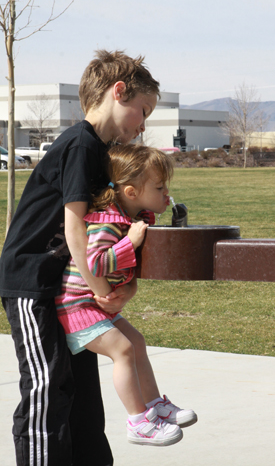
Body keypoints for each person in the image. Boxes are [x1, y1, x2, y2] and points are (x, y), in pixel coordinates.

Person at [0, 49, 160, 465]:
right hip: (32, 283)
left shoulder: (101, 152)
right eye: (143, 111)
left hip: (68, 285)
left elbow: (105, 230)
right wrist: (101, 288)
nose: (143, 126)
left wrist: (118, 287)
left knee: (84, 395)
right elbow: (74, 227)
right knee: (48, 388)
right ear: (118, 92)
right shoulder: (80, 145)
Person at [56, 143, 197, 446]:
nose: (166, 193)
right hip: (77, 306)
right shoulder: (107, 223)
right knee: (122, 350)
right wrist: (129, 243)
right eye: (159, 187)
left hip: (95, 306)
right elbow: (94, 263)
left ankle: (154, 405)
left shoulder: (129, 216)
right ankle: (138, 422)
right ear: (131, 192)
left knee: (137, 343)